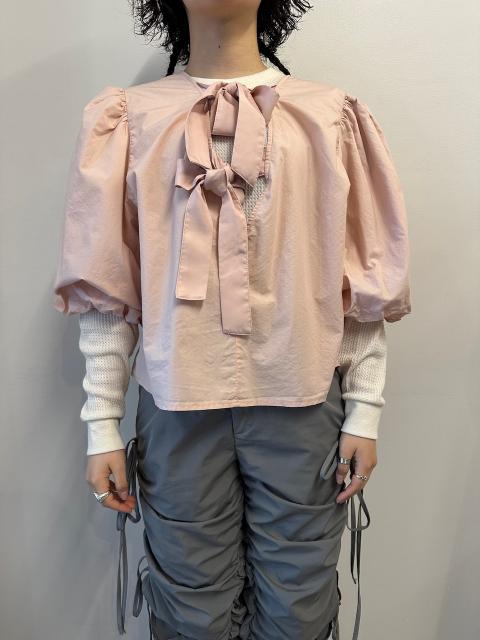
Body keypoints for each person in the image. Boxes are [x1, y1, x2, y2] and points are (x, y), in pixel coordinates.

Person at [52, 1, 412, 639]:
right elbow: (110, 285)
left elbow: (357, 275)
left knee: (300, 601)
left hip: (303, 399)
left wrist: (365, 408)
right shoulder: (129, 120)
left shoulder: (330, 116)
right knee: (188, 603)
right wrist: (100, 423)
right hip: (177, 405)